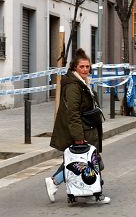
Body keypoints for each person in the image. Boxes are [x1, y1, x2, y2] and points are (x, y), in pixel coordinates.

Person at [44, 48, 109, 204]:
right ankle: (95, 192)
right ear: (75, 68)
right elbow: (73, 113)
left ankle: (57, 182)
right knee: (92, 162)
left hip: (87, 128)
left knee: (83, 162)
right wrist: (78, 137)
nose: (85, 69)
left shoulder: (82, 82)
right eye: (82, 67)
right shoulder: (74, 86)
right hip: (82, 130)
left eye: (87, 67)